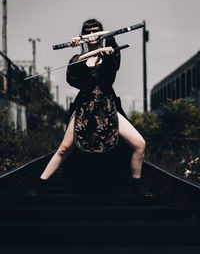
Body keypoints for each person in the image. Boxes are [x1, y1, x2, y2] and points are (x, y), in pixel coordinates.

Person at [39, 19, 152, 196]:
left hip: (107, 106)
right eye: (88, 31)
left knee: (139, 144)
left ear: (101, 34)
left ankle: (137, 184)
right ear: (82, 35)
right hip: (84, 106)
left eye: (96, 30)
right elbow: (72, 77)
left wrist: (109, 42)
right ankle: (40, 184)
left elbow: (114, 64)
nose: (92, 33)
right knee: (63, 149)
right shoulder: (77, 59)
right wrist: (82, 47)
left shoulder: (109, 54)